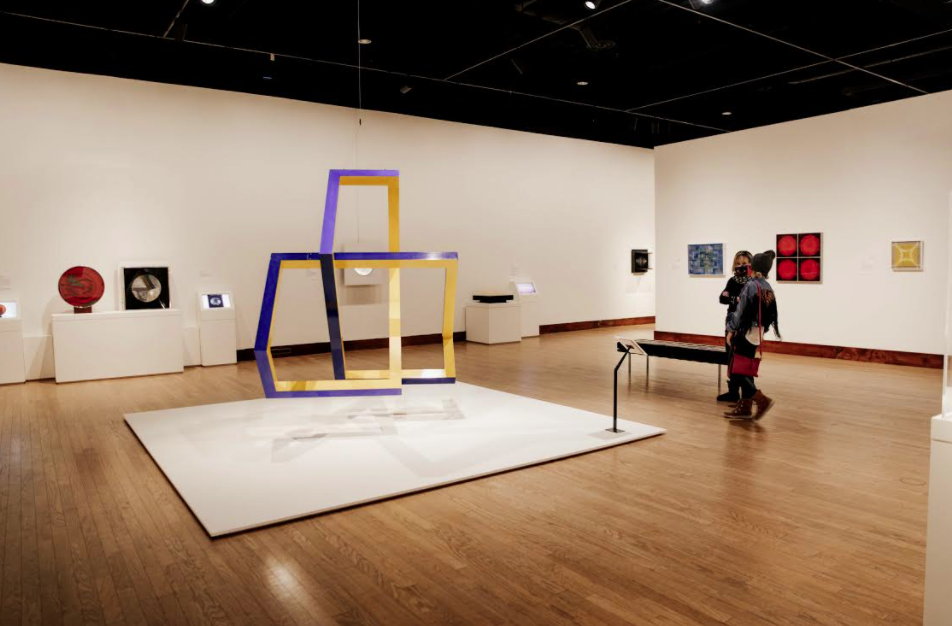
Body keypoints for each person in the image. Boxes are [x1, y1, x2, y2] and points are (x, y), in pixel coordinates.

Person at [723, 250, 780, 420]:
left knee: (737, 369)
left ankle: (761, 400)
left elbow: (740, 312)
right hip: (758, 332)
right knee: (745, 367)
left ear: (753, 267)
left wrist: (731, 329)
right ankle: (745, 407)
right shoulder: (767, 287)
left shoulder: (751, 285)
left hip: (745, 331)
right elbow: (771, 314)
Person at [717, 250, 752, 403]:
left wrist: (734, 299)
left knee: (745, 358)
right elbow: (722, 298)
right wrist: (736, 299)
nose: (740, 266)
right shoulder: (732, 281)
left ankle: (748, 394)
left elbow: (750, 302)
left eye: (744, 263)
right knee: (731, 357)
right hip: (731, 321)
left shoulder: (753, 282)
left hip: (746, 323)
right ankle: (733, 392)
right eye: (738, 263)